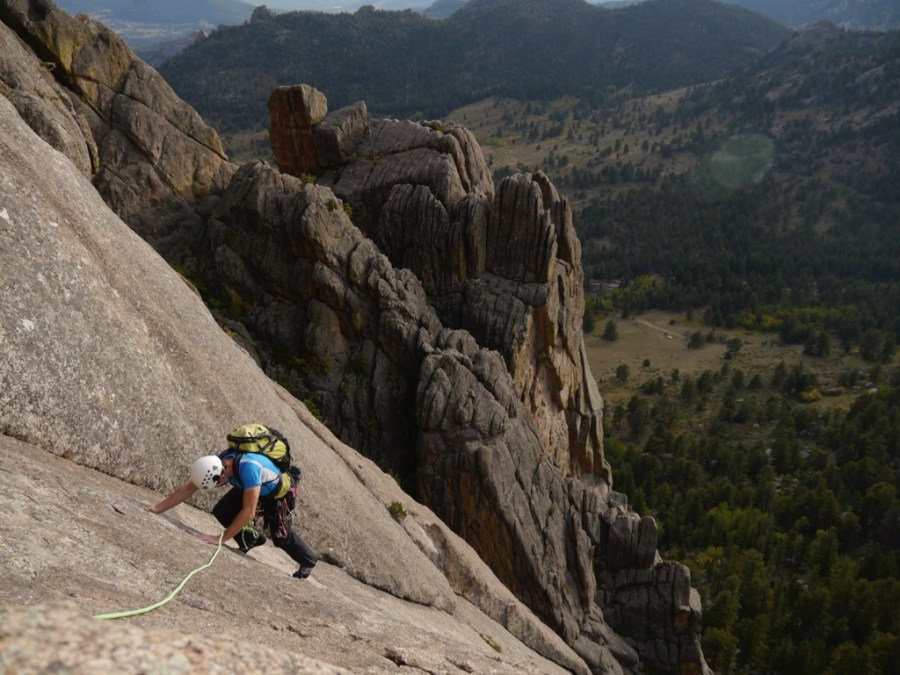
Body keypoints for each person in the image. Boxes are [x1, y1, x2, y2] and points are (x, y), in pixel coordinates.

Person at [149, 451, 318, 579]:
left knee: (281, 536)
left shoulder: (248, 468)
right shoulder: (218, 462)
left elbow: (248, 511)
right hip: (255, 487)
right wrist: (157, 509)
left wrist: (220, 539)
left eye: (216, 484)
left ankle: (308, 561)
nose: (216, 487)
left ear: (221, 475)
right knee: (222, 511)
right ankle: (251, 539)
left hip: (281, 491)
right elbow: (189, 488)